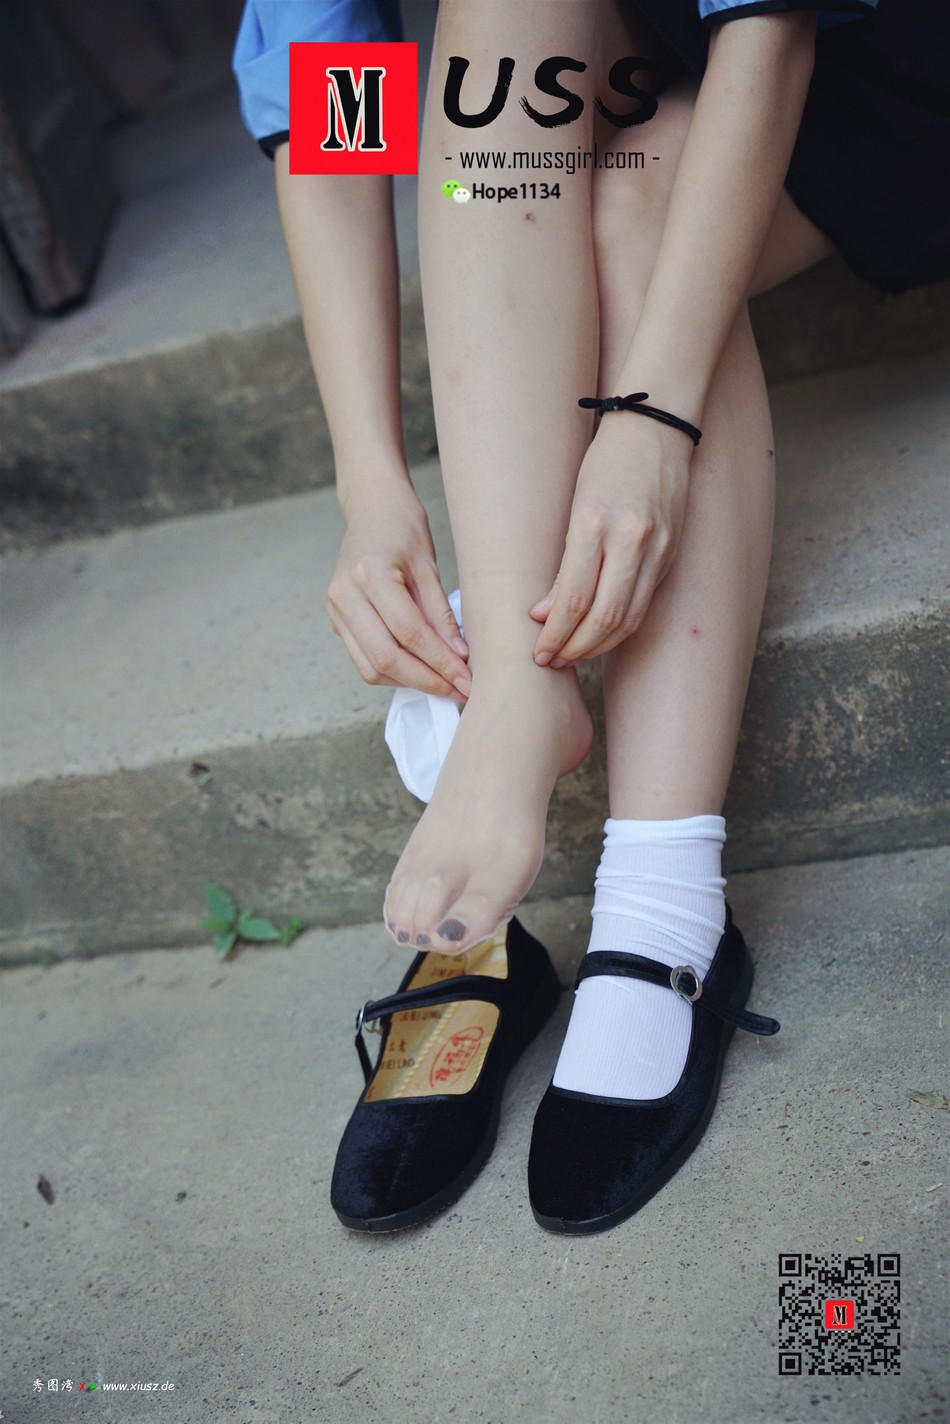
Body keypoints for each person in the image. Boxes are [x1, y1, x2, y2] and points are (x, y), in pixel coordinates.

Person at [234, 0, 948, 1234]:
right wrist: (370, 485)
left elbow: (766, 25)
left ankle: (659, 888)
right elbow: (338, 92)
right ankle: (520, 693)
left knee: (629, 215)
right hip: (631, 73)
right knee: (503, 32)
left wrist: (651, 423)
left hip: (863, 62)